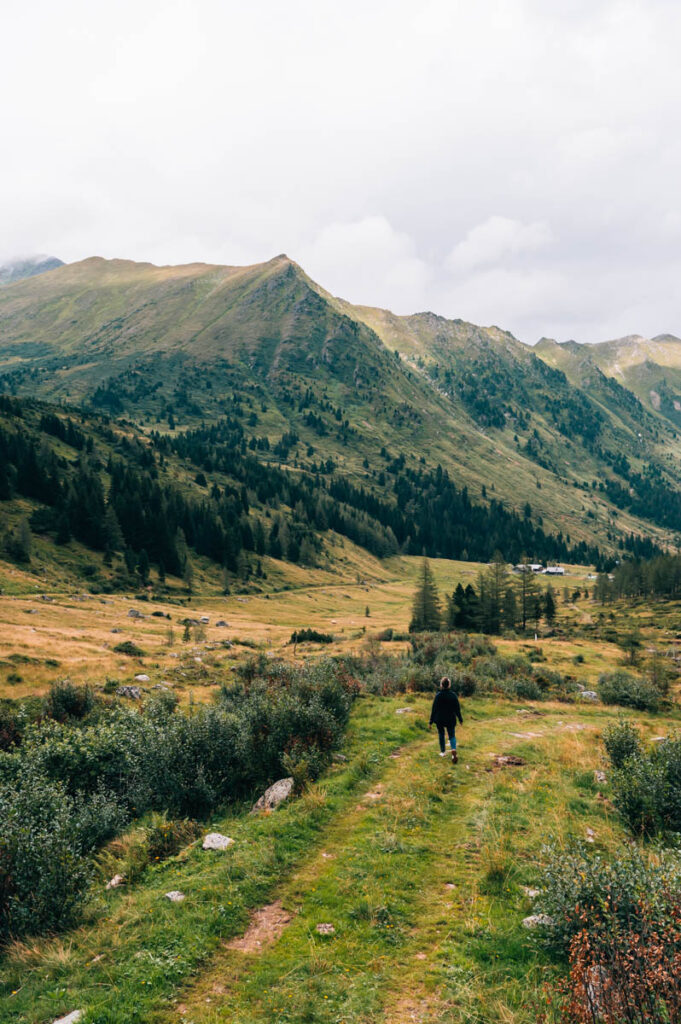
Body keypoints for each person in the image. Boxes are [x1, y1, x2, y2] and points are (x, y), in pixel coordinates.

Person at [429, 676, 463, 763]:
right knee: (452, 735)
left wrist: (431, 721)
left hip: (440, 719)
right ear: (449, 685)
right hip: (450, 719)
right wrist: (460, 719)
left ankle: (443, 752)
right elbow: (457, 709)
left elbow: (434, 709)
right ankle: (453, 749)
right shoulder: (453, 696)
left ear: (441, 685)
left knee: (441, 734)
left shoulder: (438, 696)